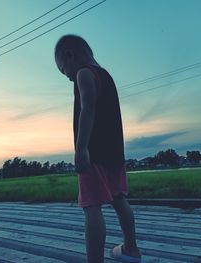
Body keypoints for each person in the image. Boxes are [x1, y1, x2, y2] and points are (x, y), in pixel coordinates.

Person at [54, 35, 142, 263]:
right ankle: (131, 250)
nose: (68, 78)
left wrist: (81, 147)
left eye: (65, 71)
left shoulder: (84, 73)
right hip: (114, 153)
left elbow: (88, 108)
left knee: (91, 206)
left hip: (93, 152)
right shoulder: (106, 75)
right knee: (119, 199)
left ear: (70, 56)